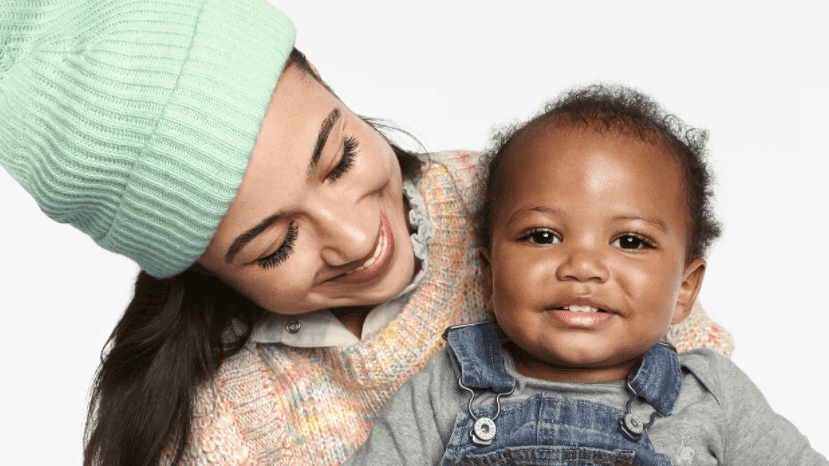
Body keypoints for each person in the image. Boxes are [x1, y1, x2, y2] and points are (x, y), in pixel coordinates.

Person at [0, 2, 733, 465]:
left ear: (323, 79)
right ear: (196, 268)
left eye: (339, 155)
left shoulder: (533, 209)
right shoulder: (215, 423)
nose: (355, 237)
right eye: (275, 244)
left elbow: (705, 387)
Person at [343, 85, 827, 465]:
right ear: (488, 276)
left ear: (684, 290)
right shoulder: (448, 388)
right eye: (542, 236)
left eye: (630, 241)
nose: (582, 267)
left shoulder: (708, 394)